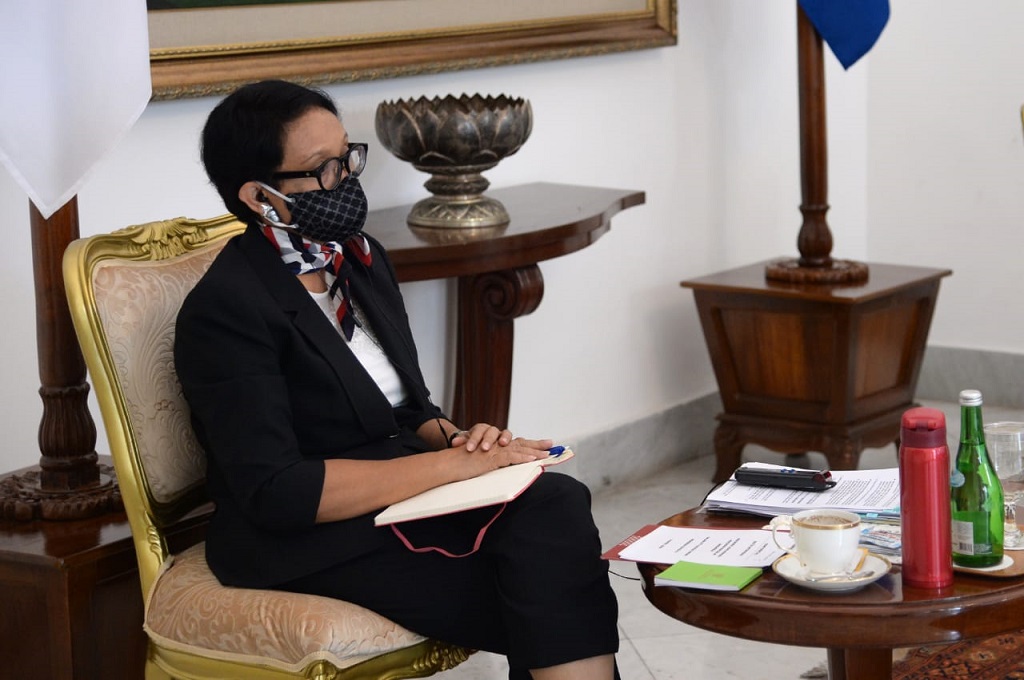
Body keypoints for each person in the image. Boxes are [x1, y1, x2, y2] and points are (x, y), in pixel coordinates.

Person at [174, 79, 619, 680]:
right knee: (546, 579)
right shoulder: (227, 308)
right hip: (301, 536)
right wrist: (454, 469)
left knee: (552, 501)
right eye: (322, 169)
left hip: (397, 492)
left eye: (348, 158)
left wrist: (466, 442)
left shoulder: (358, 257)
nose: (346, 179)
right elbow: (278, 491)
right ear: (259, 197)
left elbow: (407, 411)